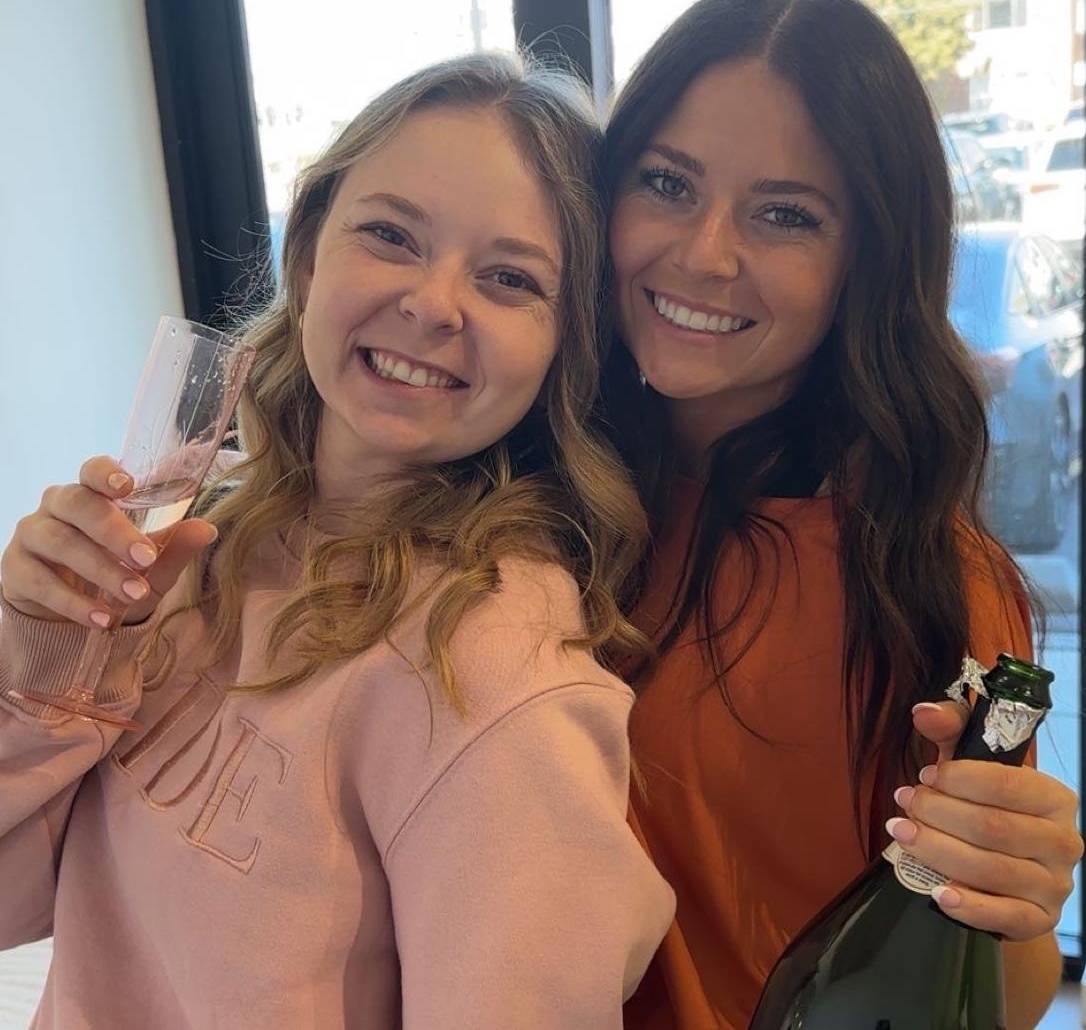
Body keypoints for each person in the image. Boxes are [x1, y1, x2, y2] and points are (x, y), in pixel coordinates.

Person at [0, 53, 674, 1029]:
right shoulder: (208, 527)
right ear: (310, 257)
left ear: (565, 342)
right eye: (391, 234)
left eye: (509, 278)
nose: (434, 303)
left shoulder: (492, 676)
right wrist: (48, 646)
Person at [598, 0, 1084, 1030]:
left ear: (867, 260)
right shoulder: (529, 496)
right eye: (667, 183)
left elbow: (994, 997)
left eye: (786, 214)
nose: (704, 252)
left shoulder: (924, 581)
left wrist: (1018, 902)